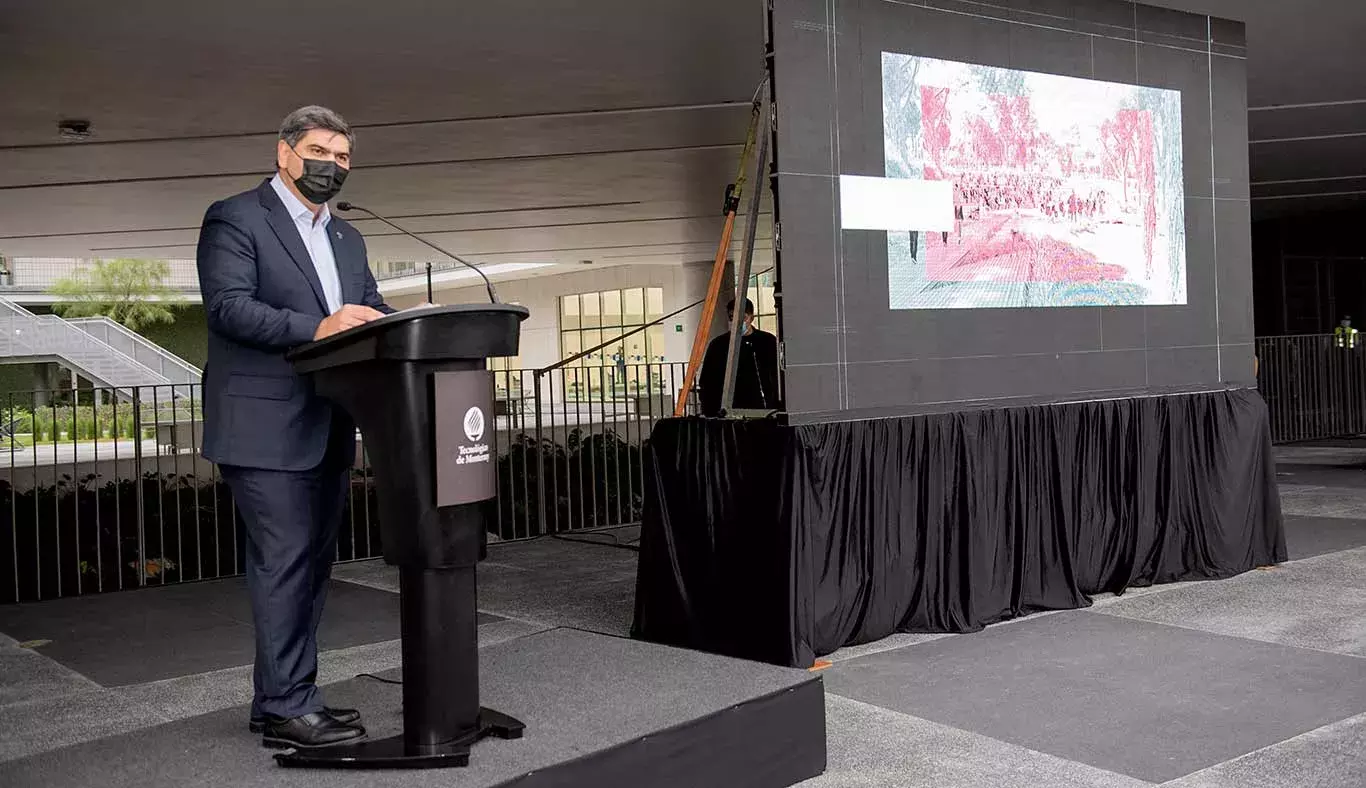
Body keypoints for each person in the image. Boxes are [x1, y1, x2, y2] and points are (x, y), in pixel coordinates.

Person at [196, 105, 393, 749]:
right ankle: (289, 706)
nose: (331, 166)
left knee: (309, 565)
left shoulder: (348, 238)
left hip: (328, 421)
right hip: (261, 423)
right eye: (319, 151)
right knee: (283, 561)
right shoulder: (236, 217)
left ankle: (280, 698)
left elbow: (367, 309)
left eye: (342, 157)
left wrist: (412, 321)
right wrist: (318, 326)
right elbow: (229, 308)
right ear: (284, 152)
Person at [699, 298, 780, 416]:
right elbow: (707, 381)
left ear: (751, 318)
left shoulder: (767, 342)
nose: (737, 322)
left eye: (743, 318)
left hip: (763, 409)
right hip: (729, 412)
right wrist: (710, 411)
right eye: (732, 318)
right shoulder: (718, 345)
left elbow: (776, 376)